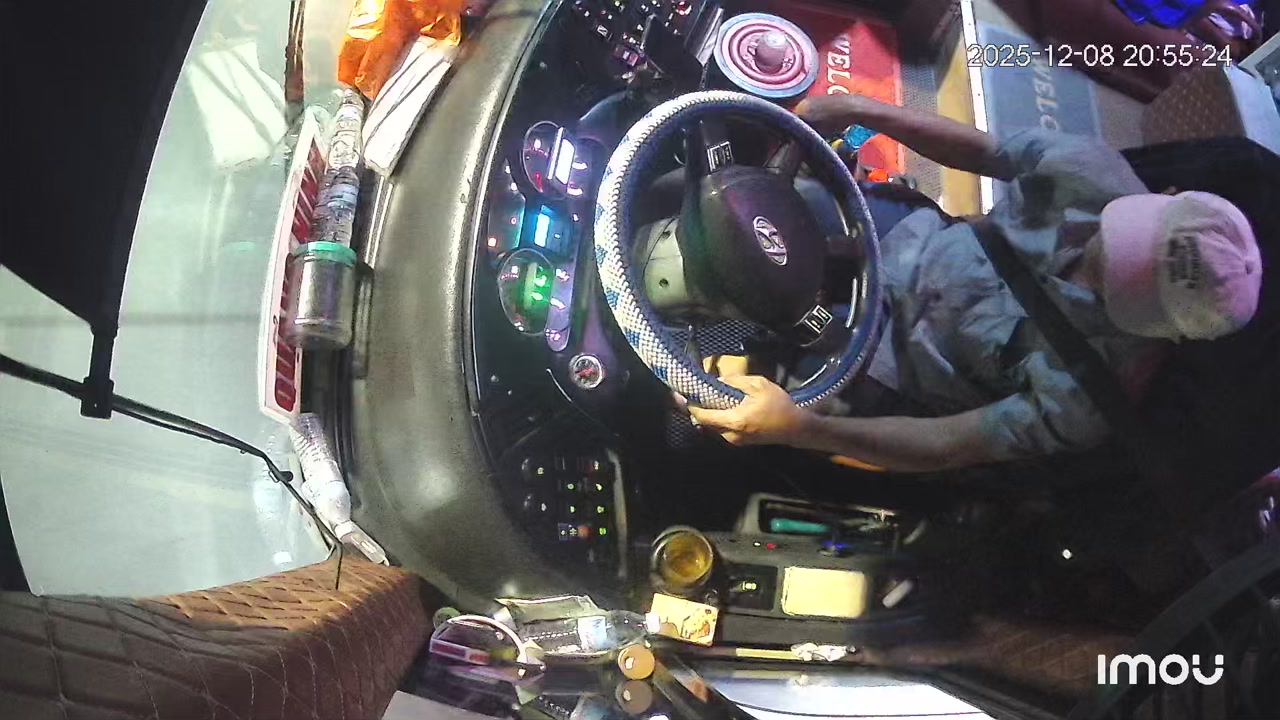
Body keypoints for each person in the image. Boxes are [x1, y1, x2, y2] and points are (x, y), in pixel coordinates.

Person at [685, 94, 1263, 473]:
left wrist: (802, 429)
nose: (1095, 268)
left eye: (1124, 288)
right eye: (1123, 242)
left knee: (706, 400)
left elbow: (950, 444)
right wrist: (864, 110)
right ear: (1164, 198)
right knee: (724, 199)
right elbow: (987, 150)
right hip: (902, 238)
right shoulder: (1093, 172)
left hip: (884, 367)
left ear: (1167, 335)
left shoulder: (1088, 398)